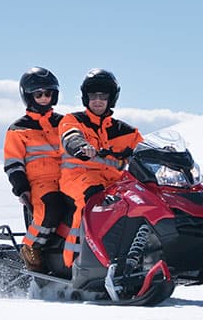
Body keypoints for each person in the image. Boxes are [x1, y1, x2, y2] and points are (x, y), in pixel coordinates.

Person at [58, 68, 142, 270]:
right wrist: (79, 146)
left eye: (102, 96)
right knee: (91, 200)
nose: (97, 100)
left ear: (111, 98)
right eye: (92, 96)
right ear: (85, 98)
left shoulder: (126, 131)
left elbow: (144, 149)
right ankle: (77, 262)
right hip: (78, 179)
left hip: (115, 183)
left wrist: (165, 153)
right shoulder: (73, 120)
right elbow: (70, 135)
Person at [3, 67, 73, 270]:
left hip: (68, 179)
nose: (44, 98)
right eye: (39, 94)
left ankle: (68, 250)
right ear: (28, 96)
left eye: (48, 93)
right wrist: (21, 188)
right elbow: (13, 162)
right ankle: (31, 247)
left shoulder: (65, 123)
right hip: (39, 184)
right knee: (50, 208)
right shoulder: (18, 129)